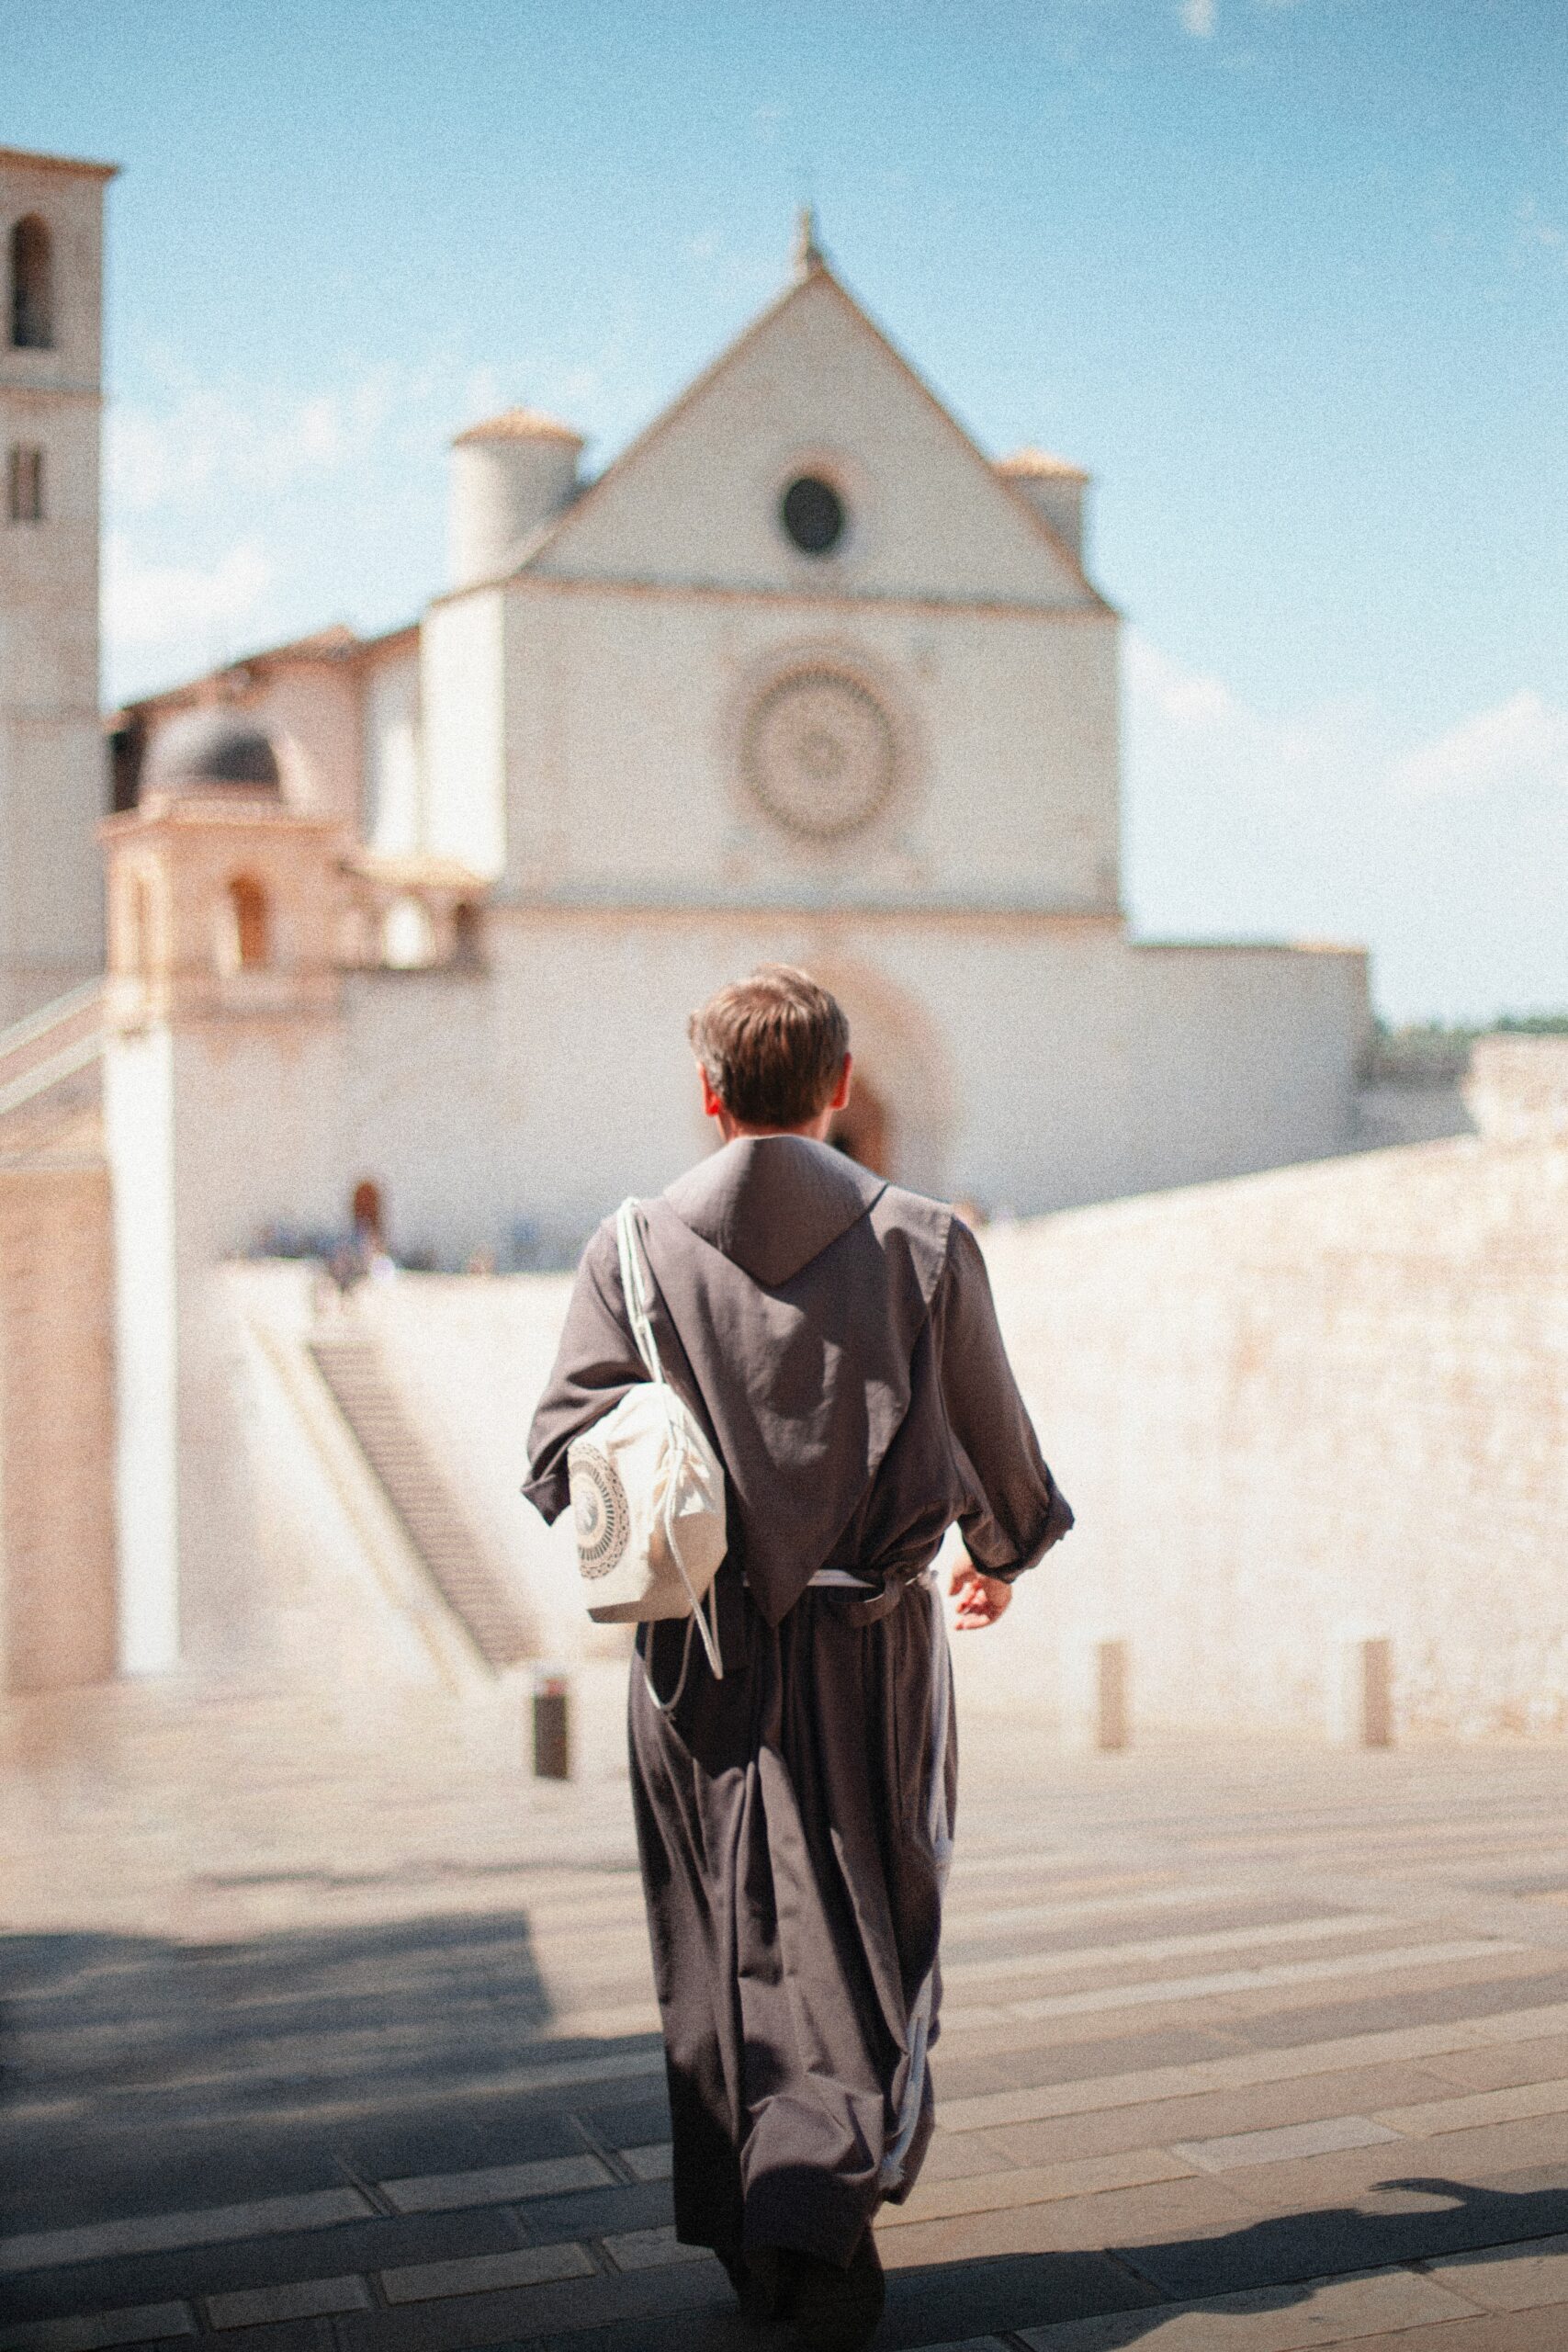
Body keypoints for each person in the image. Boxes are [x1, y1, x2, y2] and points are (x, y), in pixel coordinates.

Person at [525, 967, 1071, 2352]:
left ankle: (751, 2222)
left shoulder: (628, 1254)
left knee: (718, 1928)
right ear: (837, 1088)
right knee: (859, 1918)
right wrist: (996, 1556)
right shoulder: (926, 1243)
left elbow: (554, 1457)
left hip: (692, 1661)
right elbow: (996, 1441)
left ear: (708, 1094)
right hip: (865, 1650)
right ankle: (817, 2224)